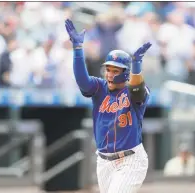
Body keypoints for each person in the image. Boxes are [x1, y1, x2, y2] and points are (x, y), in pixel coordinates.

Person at [65, 19, 152, 193]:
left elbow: (137, 91)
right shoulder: (99, 87)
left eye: (115, 70)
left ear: (125, 73)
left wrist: (136, 67)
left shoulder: (134, 90)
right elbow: (83, 82)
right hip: (104, 161)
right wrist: (77, 50)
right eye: (108, 69)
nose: (110, 74)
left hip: (130, 160)